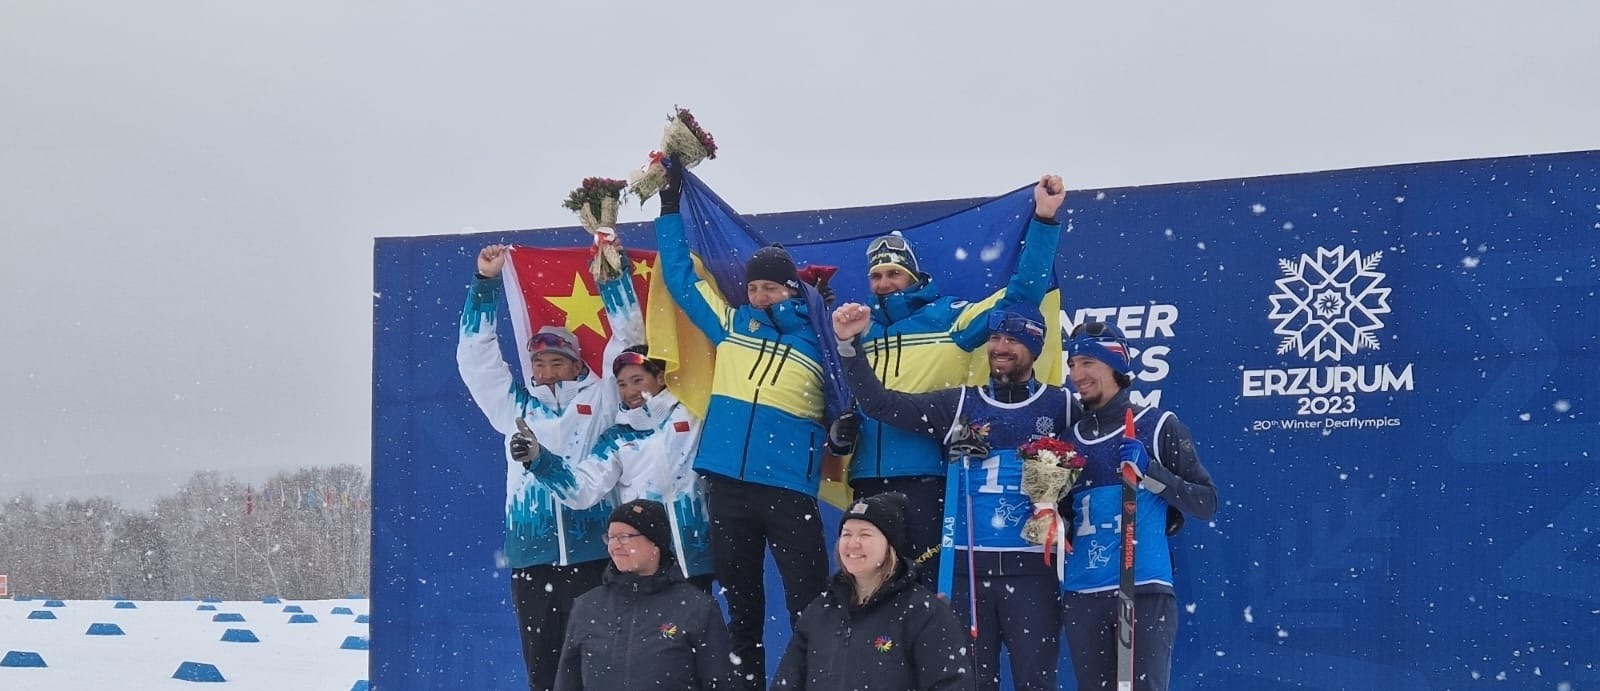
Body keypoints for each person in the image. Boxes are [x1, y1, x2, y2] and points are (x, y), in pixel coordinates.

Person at [653, 159, 834, 690]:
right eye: (753, 288)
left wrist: (844, 428)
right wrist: (668, 209)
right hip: (728, 484)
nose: (759, 296)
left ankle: (815, 682)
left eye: (770, 289)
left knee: (809, 602)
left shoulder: (820, 344)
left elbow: (850, 403)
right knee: (742, 606)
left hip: (788, 488)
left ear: (792, 290)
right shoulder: (732, 327)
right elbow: (683, 281)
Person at [834, 174, 1066, 588]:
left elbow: (1021, 295)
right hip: (866, 475)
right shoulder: (859, 328)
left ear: (912, 276)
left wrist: (1044, 220)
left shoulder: (949, 318)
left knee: (923, 587)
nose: (885, 284)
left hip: (927, 475)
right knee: (868, 588)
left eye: (893, 274)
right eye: (877, 276)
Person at [833, 301, 1075, 691]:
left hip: (1033, 570)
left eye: (1012, 339)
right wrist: (848, 345)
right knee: (968, 683)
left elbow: (1099, 456)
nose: (999, 347)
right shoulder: (962, 404)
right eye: (995, 338)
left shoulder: (1061, 406)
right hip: (968, 569)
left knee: (1037, 682)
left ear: (1035, 347)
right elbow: (881, 404)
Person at [457, 243, 620, 691]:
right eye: (539, 362)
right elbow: (477, 360)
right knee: (544, 674)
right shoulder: (515, 407)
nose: (547, 370)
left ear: (576, 362)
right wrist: (485, 285)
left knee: (601, 670)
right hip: (533, 560)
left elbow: (627, 341)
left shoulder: (600, 400)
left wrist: (612, 277)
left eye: (557, 361)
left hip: (595, 556)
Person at [515, 237, 715, 591]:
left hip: (700, 556)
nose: (629, 391)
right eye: (621, 384)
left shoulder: (692, 413)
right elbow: (582, 491)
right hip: (648, 566)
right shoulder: (617, 438)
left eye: (638, 380)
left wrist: (614, 275)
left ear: (659, 377)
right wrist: (539, 461)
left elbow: (630, 336)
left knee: (707, 641)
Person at [1059, 322, 1218, 691]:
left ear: (1115, 365)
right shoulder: (1068, 440)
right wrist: (1051, 517)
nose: (1076, 375)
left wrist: (1150, 472)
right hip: (1084, 593)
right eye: (1071, 365)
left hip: (1143, 587)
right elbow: (1064, 518)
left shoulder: (1157, 425)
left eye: (1086, 363)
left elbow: (1206, 502)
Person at [770, 492, 974, 691]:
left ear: (889, 545)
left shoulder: (924, 612)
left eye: (865, 535)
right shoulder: (820, 611)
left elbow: (951, 683)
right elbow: (787, 683)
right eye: (846, 534)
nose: (853, 543)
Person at [555, 499, 737, 691]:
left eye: (624, 537)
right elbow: (567, 683)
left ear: (655, 544)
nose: (614, 546)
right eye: (611, 537)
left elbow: (721, 683)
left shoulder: (696, 608)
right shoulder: (587, 607)